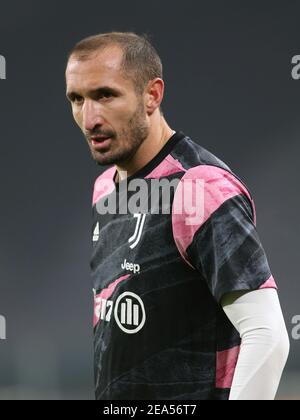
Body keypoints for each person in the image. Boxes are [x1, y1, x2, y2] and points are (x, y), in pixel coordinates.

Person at [65, 32, 289, 400]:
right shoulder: (104, 188)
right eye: (77, 99)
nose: (89, 118)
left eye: (105, 95)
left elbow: (267, 337)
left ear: (152, 95)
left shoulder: (199, 188)